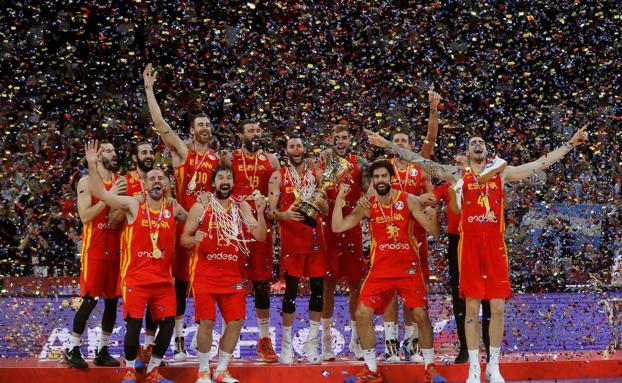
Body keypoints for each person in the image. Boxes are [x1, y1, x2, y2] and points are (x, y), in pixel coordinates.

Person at [367, 127, 588, 383]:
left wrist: (571, 142)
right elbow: (420, 161)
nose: (477, 144)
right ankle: (474, 367)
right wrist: (386, 144)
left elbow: (539, 164)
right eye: (472, 142)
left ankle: (493, 366)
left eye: (481, 141)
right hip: (469, 246)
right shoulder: (456, 174)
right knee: (471, 307)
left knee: (497, 307)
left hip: (494, 246)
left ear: (487, 150)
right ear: (468, 151)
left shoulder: (501, 172)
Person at [332, 160, 445, 383]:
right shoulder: (368, 204)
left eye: (384, 176)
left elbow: (433, 231)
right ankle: (371, 369)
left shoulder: (408, 200)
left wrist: (434, 214)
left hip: (407, 267)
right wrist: (338, 201)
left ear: (391, 178)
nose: (381, 180)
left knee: (421, 314)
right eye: (377, 177)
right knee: (362, 313)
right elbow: (338, 227)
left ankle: (430, 367)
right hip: (381, 269)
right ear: (372, 181)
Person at [85, 140, 187, 383]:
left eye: (161, 178)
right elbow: (101, 194)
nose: (157, 182)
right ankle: (130, 369)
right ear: (145, 183)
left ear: (166, 184)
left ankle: (152, 370)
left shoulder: (172, 208)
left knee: (168, 324)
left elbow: (199, 218)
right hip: (136, 279)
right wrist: (91, 165)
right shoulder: (133, 204)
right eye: (152, 178)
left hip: (163, 280)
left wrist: (208, 201)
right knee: (133, 326)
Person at [144, 64, 220, 361]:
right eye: (200, 124)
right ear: (191, 130)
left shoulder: (218, 159)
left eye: (208, 125)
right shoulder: (183, 153)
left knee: (200, 284)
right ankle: (172, 344)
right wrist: (150, 90)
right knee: (174, 284)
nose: (205, 128)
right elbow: (161, 125)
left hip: (206, 231)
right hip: (179, 227)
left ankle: (200, 345)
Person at [181, 165, 267, 383]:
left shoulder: (242, 207)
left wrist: (260, 211)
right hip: (205, 274)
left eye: (229, 177)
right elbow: (184, 239)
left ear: (233, 183)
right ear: (213, 183)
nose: (225, 181)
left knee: (236, 321)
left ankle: (221, 370)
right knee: (207, 322)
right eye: (220, 178)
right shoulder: (201, 207)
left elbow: (260, 236)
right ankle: (202, 371)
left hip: (232, 275)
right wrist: (194, 240)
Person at [383, 87, 440, 363]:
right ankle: (391, 344)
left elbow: (432, 197)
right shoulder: (382, 169)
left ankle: (412, 342)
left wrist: (433, 109)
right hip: (389, 239)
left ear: (409, 144)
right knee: (390, 291)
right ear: (391, 145)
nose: (402, 143)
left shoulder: (420, 167)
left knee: (413, 290)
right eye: (397, 140)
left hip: (415, 239)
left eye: (405, 140)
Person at [221, 119, 280, 363]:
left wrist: (271, 214)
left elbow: (276, 193)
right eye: (250, 130)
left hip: (260, 229)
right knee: (229, 283)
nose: (255, 133)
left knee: (261, 283)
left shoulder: (272, 160)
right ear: (241, 134)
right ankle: (226, 338)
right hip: (234, 227)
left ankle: (264, 340)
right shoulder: (229, 159)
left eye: (258, 129)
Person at [267, 136, 328, 364]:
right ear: (286, 150)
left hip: (315, 238)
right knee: (290, 292)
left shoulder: (317, 175)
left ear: (305, 149)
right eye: (292, 146)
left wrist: (322, 203)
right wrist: (283, 215)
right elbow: (270, 212)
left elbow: (327, 209)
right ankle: (286, 346)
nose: (296, 149)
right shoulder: (278, 176)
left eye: (299, 146)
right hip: (291, 241)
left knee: (318, 290)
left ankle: (312, 345)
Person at [64, 141, 125, 369]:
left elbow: (116, 217)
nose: (113, 153)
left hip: (116, 250)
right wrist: (108, 197)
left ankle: (102, 350)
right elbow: (86, 216)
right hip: (95, 250)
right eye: (108, 150)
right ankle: (72, 348)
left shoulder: (121, 181)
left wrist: (115, 204)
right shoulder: (87, 181)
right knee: (89, 300)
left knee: (111, 302)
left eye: (114, 150)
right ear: (97, 157)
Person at [426, 153, 491, 364]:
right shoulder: (447, 186)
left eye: (462, 163)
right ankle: (465, 347)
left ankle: (490, 348)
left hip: (483, 239)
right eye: (455, 164)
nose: (458, 167)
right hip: (458, 242)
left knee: (488, 294)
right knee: (459, 294)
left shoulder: (485, 182)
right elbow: (430, 198)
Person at [319, 124, 369, 361]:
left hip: (351, 227)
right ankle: (326, 341)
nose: (340, 141)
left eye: (344, 138)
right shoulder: (323, 162)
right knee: (328, 285)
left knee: (356, 285)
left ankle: (355, 339)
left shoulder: (359, 164)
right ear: (332, 139)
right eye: (337, 138)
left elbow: (370, 190)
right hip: (329, 228)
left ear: (350, 140)